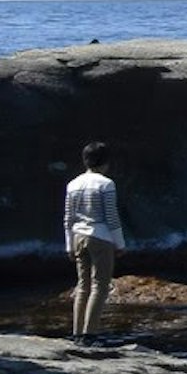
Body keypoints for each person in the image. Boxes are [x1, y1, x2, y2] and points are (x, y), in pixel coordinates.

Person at [62, 142, 126, 341]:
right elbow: (111, 217)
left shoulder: (73, 184)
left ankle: (77, 333)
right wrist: (120, 243)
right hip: (100, 237)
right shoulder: (106, 184)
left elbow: (68, 218)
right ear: (106, 162)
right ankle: (90, 334)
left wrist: (69, 244)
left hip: (78, 236)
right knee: (100, 286)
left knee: (83, 286)